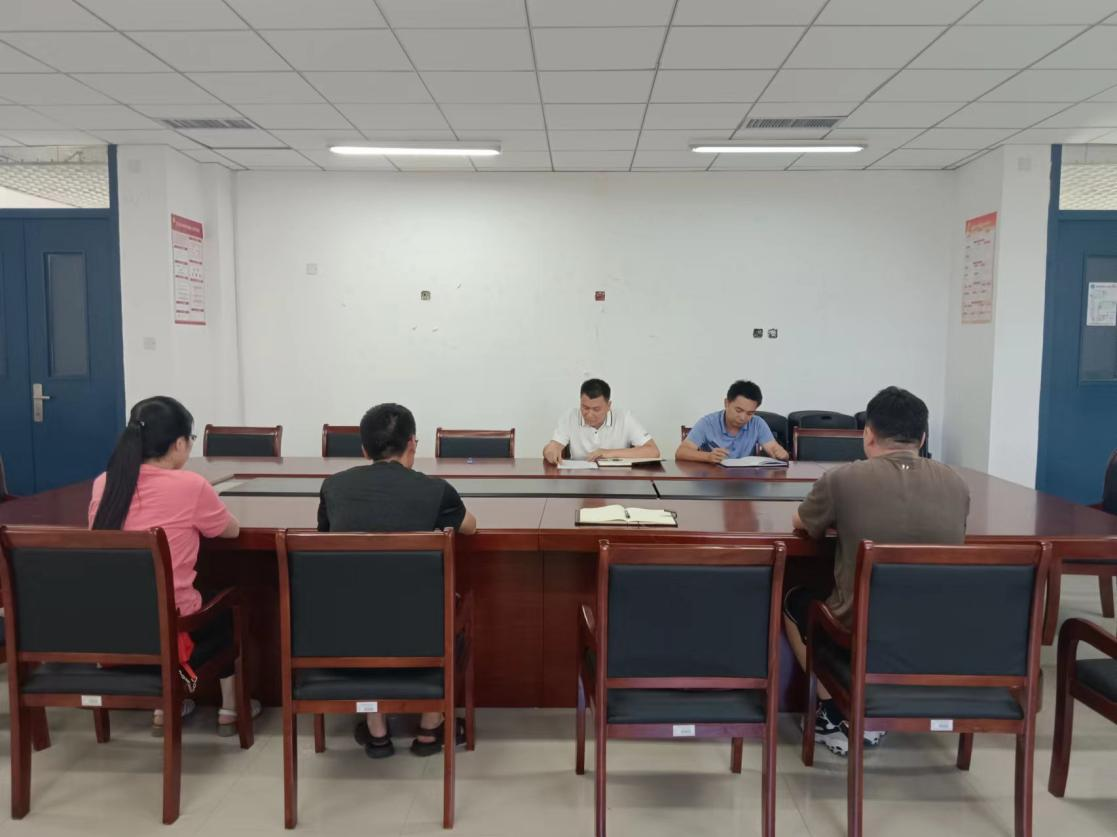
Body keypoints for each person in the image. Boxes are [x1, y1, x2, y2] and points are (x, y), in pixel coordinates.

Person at [783, 386, 969, 757]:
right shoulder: (956, 483)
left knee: (792, 598)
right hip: (937, 628)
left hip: (860, 628)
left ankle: (835, 708)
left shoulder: (843, 479)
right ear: (923, 438)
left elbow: (801, 523)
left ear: (867, 435)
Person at [89, 396, 259, 736]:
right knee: (227, 605)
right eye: (190, 439)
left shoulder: (105, 483)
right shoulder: (190, 485)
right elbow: (231, 531)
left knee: (152, 597)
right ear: (179, 443)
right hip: (173, 625)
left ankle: (164, 706)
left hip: (116, 623)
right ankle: (230, 708)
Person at [318, 402, 476, 759]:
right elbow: (471, 527)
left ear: (364, 450)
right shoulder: (435, 490)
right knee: (443, 608)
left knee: (364, 605)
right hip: (420, 631)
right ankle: (430, 726)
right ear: (412, 444)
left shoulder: (333, 487)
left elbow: (325, 541)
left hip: (347, 631)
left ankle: (376, 729)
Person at [542, 378, 660, 464]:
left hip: (617, 481)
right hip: (580, 479)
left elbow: (653, 451)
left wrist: (607, 453)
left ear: (608, 406)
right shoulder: (570, 416)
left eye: (596, 409)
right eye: (585, 407)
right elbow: (552, 447)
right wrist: (551, 451)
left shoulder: (625, 418)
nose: (589, 414)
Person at [676, 380, 789, 463]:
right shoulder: (707, 423)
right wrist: (708, 457)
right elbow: (681, 452)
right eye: (738, 410)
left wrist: (782, 454)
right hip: (714, 480)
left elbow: (773, 449)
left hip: (747, 483)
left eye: (750, 413)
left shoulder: (757, 423)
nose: (743, 417)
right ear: (727, 403)